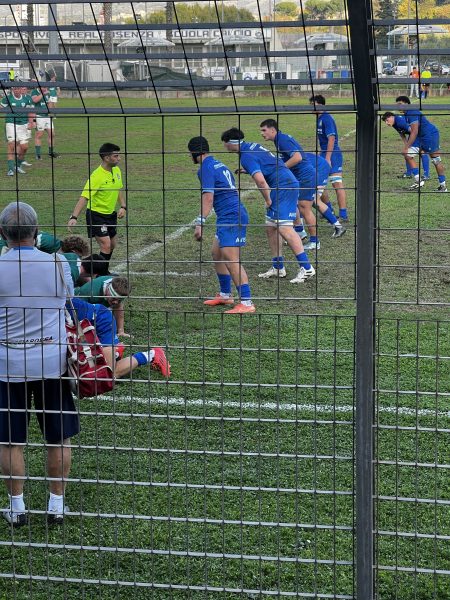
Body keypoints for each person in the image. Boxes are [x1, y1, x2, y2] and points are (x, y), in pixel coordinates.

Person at [0, 202, 79, 527]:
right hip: (51, 363)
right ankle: (56, 505)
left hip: (7, 365)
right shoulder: (58, 264)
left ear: (3, 233)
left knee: (9, 440)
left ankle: (17, 507)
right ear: (36, 231)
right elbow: (69, 300)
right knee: (58, 437)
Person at [221, 127, 315, 284]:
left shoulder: (245, 156)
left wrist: (268, 199)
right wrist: (248, 170)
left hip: (283, 187)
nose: (224, 146)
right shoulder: (252, 146)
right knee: (271, 226)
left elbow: (260, 181)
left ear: (230, 143)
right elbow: (269, 162)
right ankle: (278, 267)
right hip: (285, 183)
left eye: (224, 143)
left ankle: (306, 268)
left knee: (284, 228)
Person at [187, 136, 255, 314]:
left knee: (232, 260)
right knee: (217, 253)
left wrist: (200, 222)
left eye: (190, 153)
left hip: (232, 217)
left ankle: (247, 303)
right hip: (229, 215)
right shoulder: (218, 164)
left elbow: (208, 198)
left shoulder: (205, 168)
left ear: (195, 152)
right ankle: (225, 295)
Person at [259, 119, 346, 251]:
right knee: (303, 203)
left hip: (308, 175)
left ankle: (314, 240)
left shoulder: (282, 140)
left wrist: (281, 169)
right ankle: (303, 232)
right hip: (305, 175)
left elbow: (297, 157)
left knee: (305, 207)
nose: (262, 133)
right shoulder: (280, 140)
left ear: (272, 130)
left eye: (264, 130)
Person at [69, 298, 170, 378]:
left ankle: (152, 354)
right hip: (84, 327)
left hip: (102, 321)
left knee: (109, 374)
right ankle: (115, 352)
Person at [68, 143, 126, 272]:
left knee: (112, 245)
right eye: (116, 156)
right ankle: (101, 273)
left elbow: (118, 188)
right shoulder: (97, 176)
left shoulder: (116, 170)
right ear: (106, 158)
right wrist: (74, 217)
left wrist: (123, 206)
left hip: (110, 214)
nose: (119, 158)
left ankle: (96, 270)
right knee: (106, 245)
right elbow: (84, 197)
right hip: (96, 215)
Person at [309, 94, 349, 223]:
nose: (312, 108)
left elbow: (331, 139)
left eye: (314, 105)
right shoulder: (319, 118)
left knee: (337, 183)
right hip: (324, 153)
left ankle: (343, 214)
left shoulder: (326, 118)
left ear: (322, 105)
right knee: (319, 182)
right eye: (311, 105)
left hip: (333, 155)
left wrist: (328, 158)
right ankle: (328, 209)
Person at [395, 96, 447, 192]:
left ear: (407, 104)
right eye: (397, 105)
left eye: (400, 104)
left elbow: (414, 131)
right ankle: (418, 181)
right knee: (407, 155)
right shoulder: (407, 114)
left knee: (436, 160)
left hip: (429, 136)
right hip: (420, 137)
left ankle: (443, 186)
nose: (398, 107)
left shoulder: (412, 112)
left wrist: (406, 146)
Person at [381, 112, 430, 184]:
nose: (386, 123)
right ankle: (409, 173)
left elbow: (413, 131)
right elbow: (401, 133)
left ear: (391, 117)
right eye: (385, 121)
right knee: (407, 152)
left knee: (422, 152)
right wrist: (406, 145)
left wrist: (408, 146)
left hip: (420, 133)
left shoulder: (400, 122)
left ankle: (426, 175)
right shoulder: (394, 123)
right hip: (414, 133)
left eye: (387, 120)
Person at [1, 85, 34, 176]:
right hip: (11, 123)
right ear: (12, 89)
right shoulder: (8, 98)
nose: (16, 90)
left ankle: (18, 166)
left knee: (24, 147)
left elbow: (31, 111)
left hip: (23, 125)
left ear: (21, 89)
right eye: (14, 89)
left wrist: (31, 122)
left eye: (18, 89)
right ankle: (10, 169)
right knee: (11, 145)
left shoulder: (26, 99)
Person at [31, 83, 59, 159]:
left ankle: (51, 152)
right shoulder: (34, 92)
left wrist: (50, 109)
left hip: (47, 116)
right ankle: (38, 154)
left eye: (46, 87)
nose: (45, 88)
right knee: (39, 135)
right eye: (43, 87)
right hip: (39, 116)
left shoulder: (47, 93)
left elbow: (49, 103)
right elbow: (35, 100)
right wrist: (43, 93)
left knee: (52, 134)